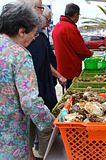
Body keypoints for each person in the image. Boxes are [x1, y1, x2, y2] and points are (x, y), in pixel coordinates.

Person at [0, 2, 55, 159]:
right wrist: (50, 121)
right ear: (22, 31)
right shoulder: (20, 55)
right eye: (34, 33)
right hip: (11, 137)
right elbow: (29, 101)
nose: (33, 38)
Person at [19, 0, 58, 159]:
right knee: (43, 128)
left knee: (30, 129)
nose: (42, 13)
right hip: (39, 91)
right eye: (40, 8)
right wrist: (50, 119)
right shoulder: (20, 52)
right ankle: (42, 155)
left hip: (35, 93)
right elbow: (29, 96)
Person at [52, 3, 93, 90]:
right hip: (71, 69)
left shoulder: (57, 26)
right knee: (72, 92)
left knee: (66, 93)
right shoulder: (70, 28)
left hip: (61, 69)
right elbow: (80, 48)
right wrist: (89, 53)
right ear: (75, 14)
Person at [41, 5, 67, 87]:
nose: (49, 24)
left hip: (50, 79)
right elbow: (44, 61)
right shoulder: (37, 37)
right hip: (45, 83)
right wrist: (59, 76)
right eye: (48, 20)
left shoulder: (42, 35)